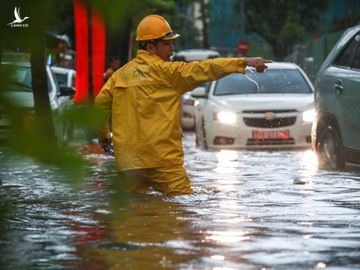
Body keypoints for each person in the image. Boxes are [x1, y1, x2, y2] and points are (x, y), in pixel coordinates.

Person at [95, 14, 271, 196]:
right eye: (167, 44)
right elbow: (206, 69)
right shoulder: (171, 73)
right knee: (183, 209)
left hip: (129, 164)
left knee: (130, 215)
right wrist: (243, 62)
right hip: (163, 162)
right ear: (150, 47)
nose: (172, 48)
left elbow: (99, 106)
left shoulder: (119, 76)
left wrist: (104, 137)